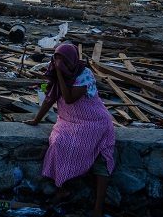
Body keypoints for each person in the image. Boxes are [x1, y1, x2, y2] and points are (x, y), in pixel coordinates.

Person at [26, 43, 115, 217]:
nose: (59, 63)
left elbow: (69, 98)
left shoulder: (84, 74)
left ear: (72, 60)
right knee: (58, 143)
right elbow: (50, 97)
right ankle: (62, 188)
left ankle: (98, 208)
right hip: (69, 121)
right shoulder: (56, 72)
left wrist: (59, 72)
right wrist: (36, 120)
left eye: (63, 60)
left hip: (94, 122)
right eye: (57, 59)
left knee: (102, 160)